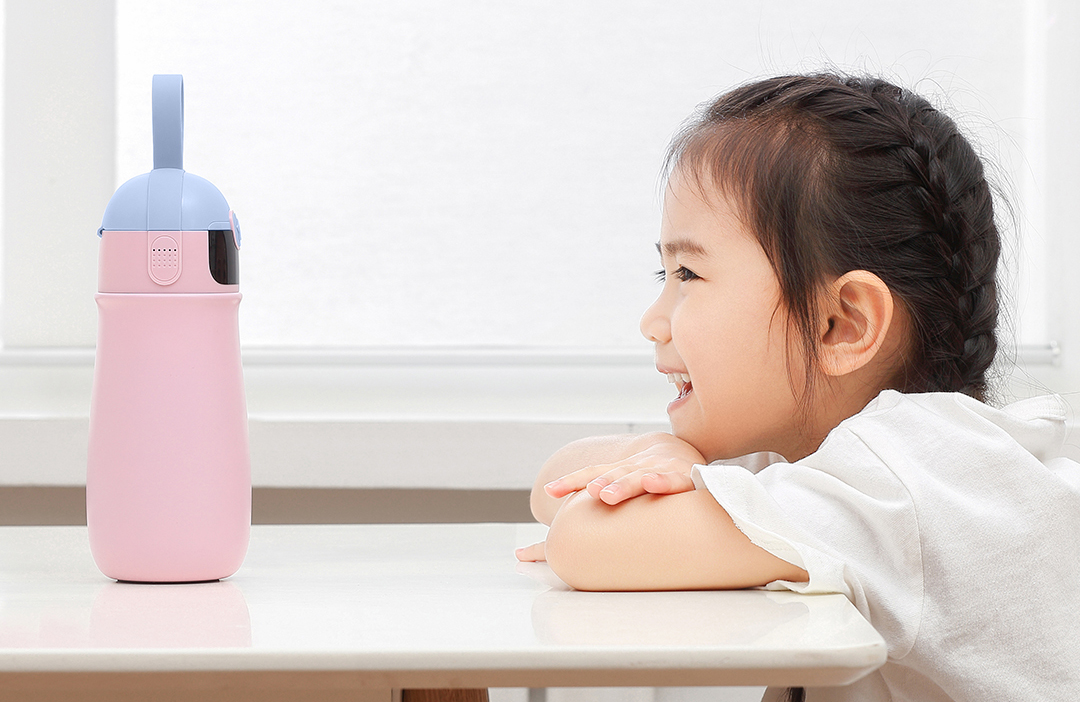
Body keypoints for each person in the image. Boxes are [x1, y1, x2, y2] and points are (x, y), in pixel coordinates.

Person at [515, 74, 1080, 702]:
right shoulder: (818, 457)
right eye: (663, 273)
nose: (652, 321)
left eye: (688, 273)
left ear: (840, 324)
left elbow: (584, 540)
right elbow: (554, 486)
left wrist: (662, 469)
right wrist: (666, 453)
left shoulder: (902, 477)